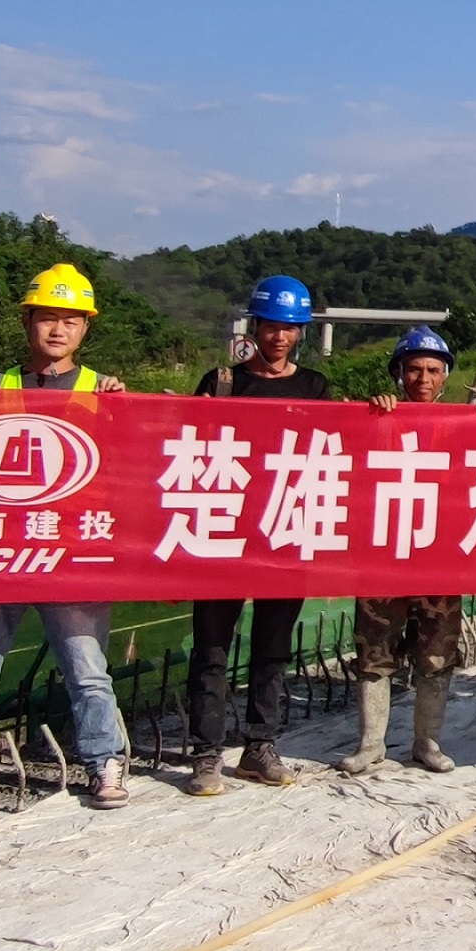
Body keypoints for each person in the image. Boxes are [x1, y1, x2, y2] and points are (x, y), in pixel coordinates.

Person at [0, 265, 138, 810]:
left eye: (70, 320)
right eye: (47, 317)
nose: (58, 329)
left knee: (88, 671)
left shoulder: (102, 390)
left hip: (72, 552)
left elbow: (131, 460)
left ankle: (104, 764)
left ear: (85, 329)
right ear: (28, 321)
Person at [183, 274, 327, 795]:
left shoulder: (313, 388)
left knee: (272, 648)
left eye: (290, 328)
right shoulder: (221, 382)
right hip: (224, 530)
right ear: (256, 325)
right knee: (212, 648)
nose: (279, 338)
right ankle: (205, 753)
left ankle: (261, 745)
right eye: (271, 326)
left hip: (284, 528)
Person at [350, 324, 471, 773]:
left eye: (433, 370)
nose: (423, 378)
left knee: (436, 655)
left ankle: (427, 742)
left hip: (440, 561)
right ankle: (370, 743)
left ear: (444, 377)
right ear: (398, 373)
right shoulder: (377, 418)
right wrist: (370, 415)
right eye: (414, 369)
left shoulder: (463, 423)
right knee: (374, 651)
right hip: (383, 558)